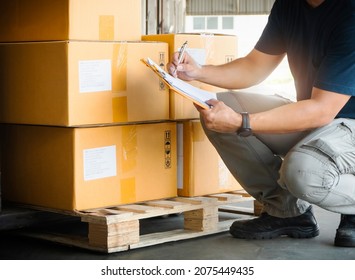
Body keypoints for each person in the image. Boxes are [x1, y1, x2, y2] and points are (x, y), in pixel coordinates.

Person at [168, 0, 355, 247]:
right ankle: (288, 212)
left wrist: (241, 122)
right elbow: (253, 67)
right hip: (319, 118)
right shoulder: (289, 6)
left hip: (344, 122)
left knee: (303, 172)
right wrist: (198, 72)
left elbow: (321, 110)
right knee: (215, 108)